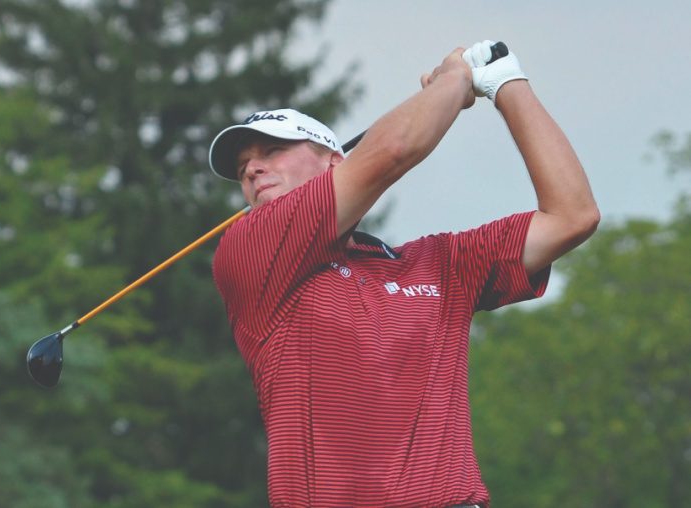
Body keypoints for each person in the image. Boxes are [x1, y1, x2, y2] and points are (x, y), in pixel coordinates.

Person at [208, 40, 599, 508]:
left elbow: (573, 216)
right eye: (243, 167)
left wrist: (505, 82)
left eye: (273, 151)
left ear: (334, 162)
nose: (253, 169)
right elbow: (393, 150)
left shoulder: (438, 264)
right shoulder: (251, 248)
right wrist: (454, 79)